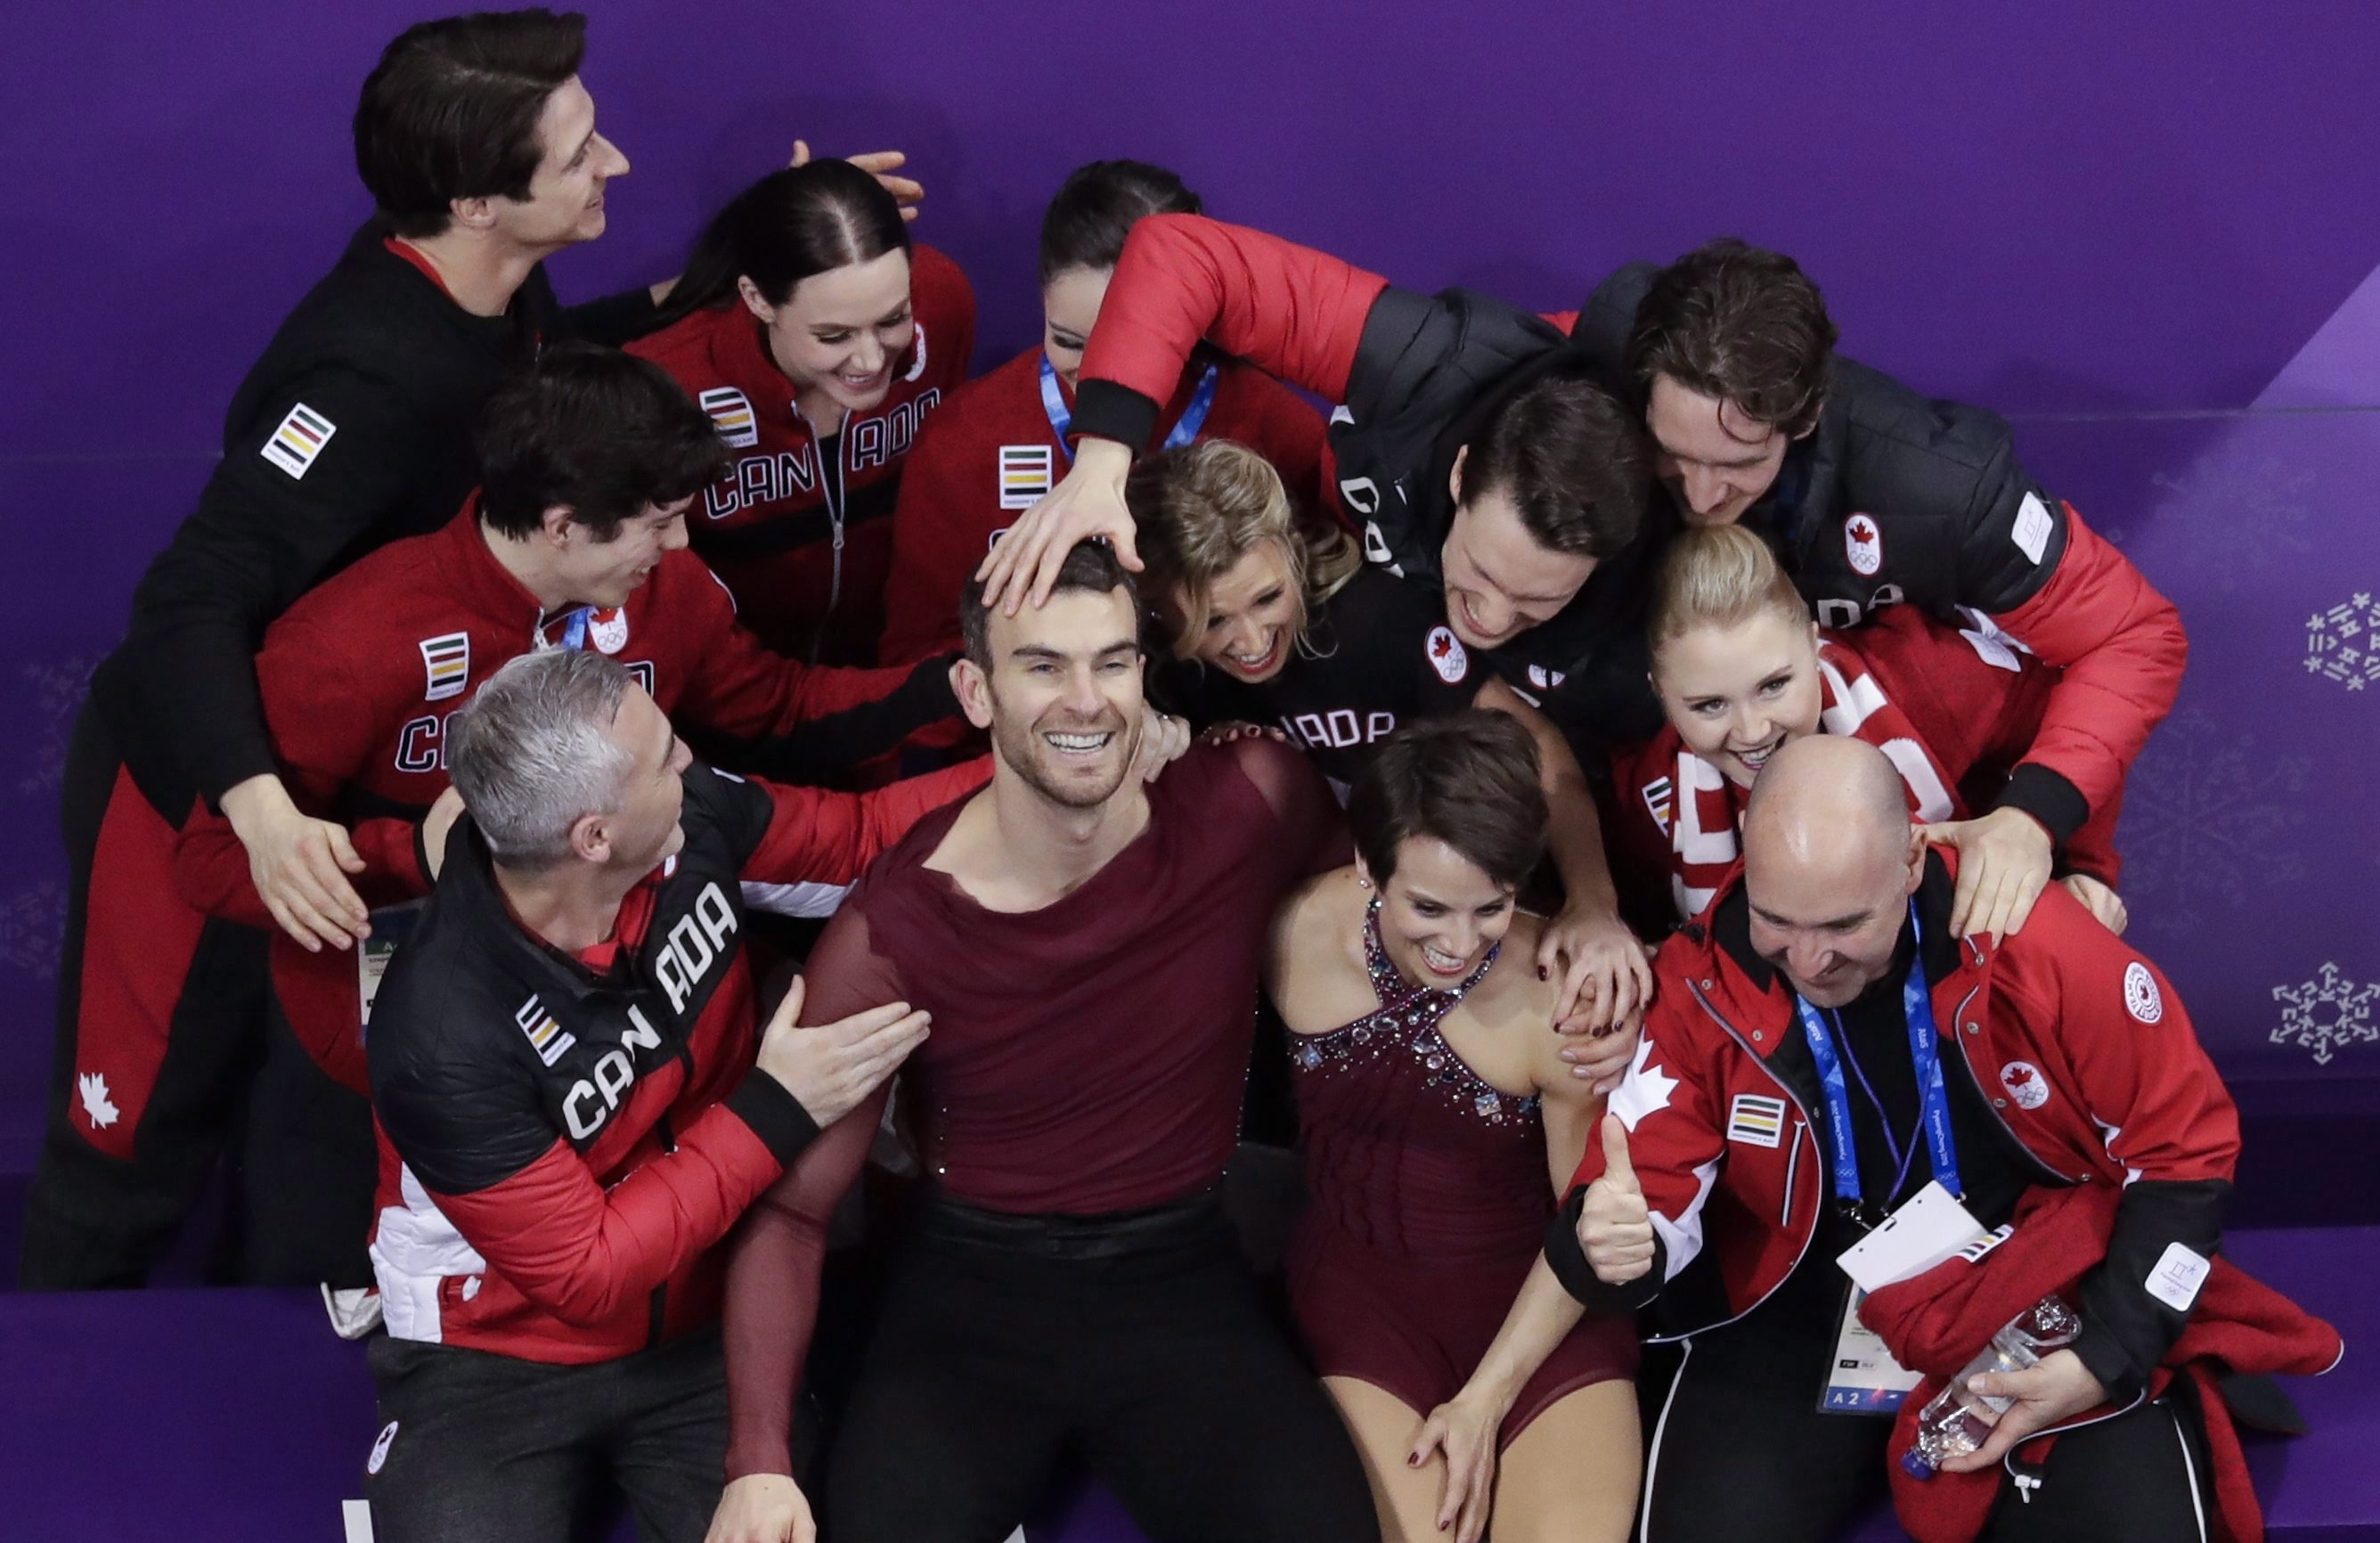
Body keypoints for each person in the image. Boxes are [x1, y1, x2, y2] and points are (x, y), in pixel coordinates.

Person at [24, 4, 916, 1289]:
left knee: (309, 1122)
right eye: (579, 155)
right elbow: (185, 604)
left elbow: (546, 367)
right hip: (202, 786)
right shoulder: (364, 376)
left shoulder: (494, 285)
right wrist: (263, 814)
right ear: (479, 201)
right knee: (133, 1146)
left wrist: (754, 252)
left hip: (344, 785)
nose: (613, 164)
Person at [167, 344, 980, 1290]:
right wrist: (414, 854)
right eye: (659, 523)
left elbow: (778, 707)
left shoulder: (663, 593)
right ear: (561, 527)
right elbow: (209, 862)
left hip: (623, 1036)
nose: (678, 548)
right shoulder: (354, 641)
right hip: (389, 1061)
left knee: (626, 1273)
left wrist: (950, 687)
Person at [706, 542, 1381, 1543]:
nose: (1086, 699)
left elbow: (1361, 923)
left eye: (1112, 662)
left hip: (1179, 1269)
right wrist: (757, 1462)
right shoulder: (892, 928)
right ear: (976, 691)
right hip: (973, 1297)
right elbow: (794, 1212)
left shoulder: (1250, 797)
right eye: (1043, 666)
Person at [1545, 736, 2333, 1542]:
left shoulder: (2043, 949)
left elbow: (2183, 1156)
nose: (1810, 960)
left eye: (1846, 923)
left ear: (1914, 859)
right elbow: (1638, 1200)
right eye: (1776, 920)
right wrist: (1609, 1247)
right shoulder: (1702, 985)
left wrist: (2107, 1355)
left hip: (2031, 1290)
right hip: (1800, 1309)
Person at [361, 647, 971, 1541]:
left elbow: (867, 837)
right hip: (488, 1361)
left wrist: (1067, 766)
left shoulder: (690, 821)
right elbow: (588, 1271)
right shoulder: (441, 1032)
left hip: (705, 1327)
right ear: (592, 837)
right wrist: (775, 1105)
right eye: (664, 759)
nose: (690, 761)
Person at [1572, 238, 2186, 939]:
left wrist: (2034, 824)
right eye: (1672, 456)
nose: (1703, 493)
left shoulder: (1941, 489)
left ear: (1803, 420)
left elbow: (2133, 635)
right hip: (1643, 832)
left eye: (1739, 464)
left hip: (1910, 848)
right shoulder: (1607, 342)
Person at [975, 212, 1664, 755]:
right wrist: (1100, 462)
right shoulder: (1422, 362)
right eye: (1483, 570)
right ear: (1461, 474)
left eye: (1540, 598)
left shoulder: (1688, 530)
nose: (1492, 613)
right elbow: (1182, 255)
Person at [1267, 714, 1640, 1543]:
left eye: (1493, 908)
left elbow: (1579, 1225)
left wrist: (1486, 1398)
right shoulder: (1291, 933)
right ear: (1369, 864)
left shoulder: (1562, 1003)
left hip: (1543, 1311)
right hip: (1362, 1307)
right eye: (1429, 907)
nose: (1460, 943)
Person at [1135, 439, 1652, 1033]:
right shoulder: (1164, 681)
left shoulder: (1376, 620)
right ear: (1161, 618)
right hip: (1306, 961)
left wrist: (1592, 904)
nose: (1252, 643)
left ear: (1293, 553)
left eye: (1268, 598)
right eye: (1213, 622)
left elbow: (1543, 759)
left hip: (1469, 924)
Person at [876, 159, 1328, 668]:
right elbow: (919, 655)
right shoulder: (964, 441)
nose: (1098, 376)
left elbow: (1335, 582)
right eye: (1068, 341)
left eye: (1136, 345)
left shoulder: (1269, 422)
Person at [1609, 524, 2128, 933]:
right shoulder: (1651, 797)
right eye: (1709, 705)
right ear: (1662, 694)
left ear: (1814, 644)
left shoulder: (1922, 677)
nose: (1751, 731)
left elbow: (2081, 721)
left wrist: (2085, 869)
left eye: (1774, 685)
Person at [632, 159, 974, 665]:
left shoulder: (944, 302)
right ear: (757, 299)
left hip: (900, 674)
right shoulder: (667, 384)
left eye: (893, 319)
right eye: (833, 336)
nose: (871, 359)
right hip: (733, 692)